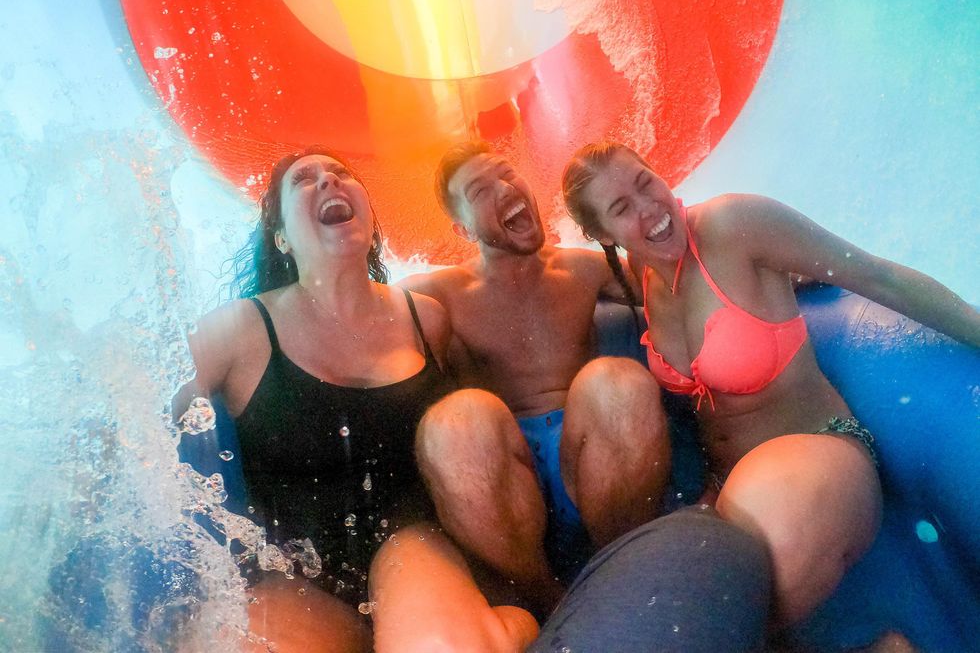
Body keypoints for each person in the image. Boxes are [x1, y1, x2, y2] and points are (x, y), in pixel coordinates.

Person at [561, 140, 980, 626]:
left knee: (735, 586)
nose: (648, 208)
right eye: (621, 208)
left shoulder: (734, 225)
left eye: (644, 181)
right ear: (601, 233)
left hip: (819, 455)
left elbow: (878, 277)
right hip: (724, 485)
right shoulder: (643, 271)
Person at [173, 147, 538, 652]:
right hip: (294, 573)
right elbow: (150, 411)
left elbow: (483, 440)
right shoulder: (240, 330)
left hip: (412, 546)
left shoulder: (426, 319)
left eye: (342, 173)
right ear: (281, 238)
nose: (328, 182)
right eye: (305, 179)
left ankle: (505, 622)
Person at [400, 141, 675, 614]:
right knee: (457, 420)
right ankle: (543, 599)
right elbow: (356, 320)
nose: (504, 188)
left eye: (507, 174)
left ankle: (615, 573)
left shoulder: (585, 269)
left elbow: (677, 274)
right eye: (480, 190)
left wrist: (764, 262)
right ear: (462, 228)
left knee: (618, 382)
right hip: (501, 488)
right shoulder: (437, 294)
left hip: (593, 467)